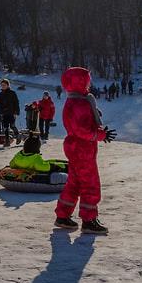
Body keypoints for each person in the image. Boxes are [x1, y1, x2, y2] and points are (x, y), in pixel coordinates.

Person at [54, 67, 115, 235]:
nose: (89, 84)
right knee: (90, 183)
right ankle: (89, 220)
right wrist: (99, 134)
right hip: (82, 149)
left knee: (75, 183)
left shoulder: (78, 101)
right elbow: (81, 129)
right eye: (87, 81)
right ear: (80, 82)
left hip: (77, 147)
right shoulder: (79, 103)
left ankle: (63, 215)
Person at [0, 79, 21, 147]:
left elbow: (16, 102)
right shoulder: (1, 94)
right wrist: (0, 112)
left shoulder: (12, 93)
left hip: (11, 112)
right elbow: (0, 104)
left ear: (8, 85)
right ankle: (7, 141)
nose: (3, 86)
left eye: (4, 85)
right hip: (4, 113)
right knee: (5, 127)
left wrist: (16, 112)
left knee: (12, 126)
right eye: (2, 85)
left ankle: (18, 136)